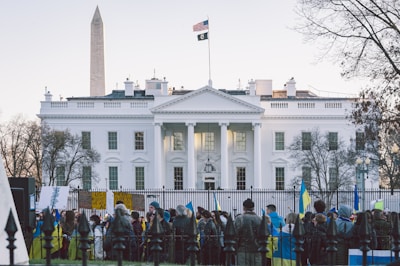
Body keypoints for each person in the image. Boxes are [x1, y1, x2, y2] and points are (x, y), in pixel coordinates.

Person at [234, 198, 262, 266]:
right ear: (253, 208)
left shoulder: (239, 218)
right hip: (256, 249)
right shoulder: (259, 219)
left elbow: (235, 234)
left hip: (242, 249)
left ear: (244, 208)